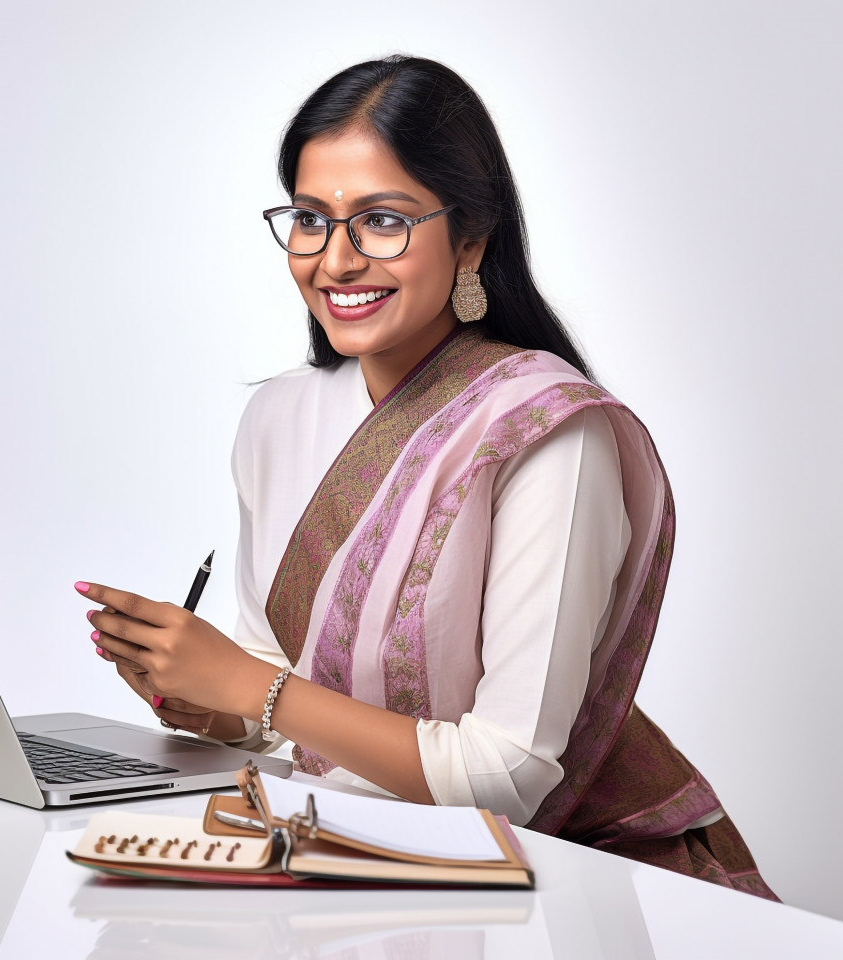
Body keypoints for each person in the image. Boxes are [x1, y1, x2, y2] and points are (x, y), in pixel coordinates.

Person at [79, 55, 777, 899]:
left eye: (381, 221)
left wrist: (249, 686)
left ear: (472, 238)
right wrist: (206, 698)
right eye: (310, 218)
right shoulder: (278, 417)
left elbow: (506, 776)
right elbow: (279, 696)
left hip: (575, 882)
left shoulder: (549, 432)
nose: (334, 261)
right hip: (348, 853)